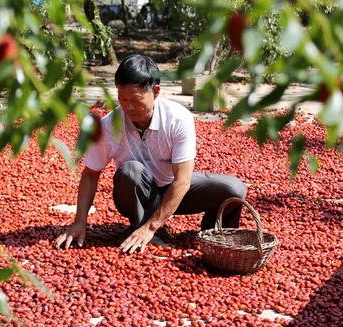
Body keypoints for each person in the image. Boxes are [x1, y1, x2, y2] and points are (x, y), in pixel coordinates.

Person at [55, 54, 247, 254]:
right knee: (130, 171)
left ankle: (214, 234)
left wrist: (152, 226)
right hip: (136, 192)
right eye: (122, 99)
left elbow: (182, 182)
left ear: (155, 92)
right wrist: (79, 222)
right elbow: (90, 174)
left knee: (234, 189)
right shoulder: (109, 126)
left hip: (174, 190)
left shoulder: (178, 119)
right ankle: (140, 227)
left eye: (136, 100)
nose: (128, 107)